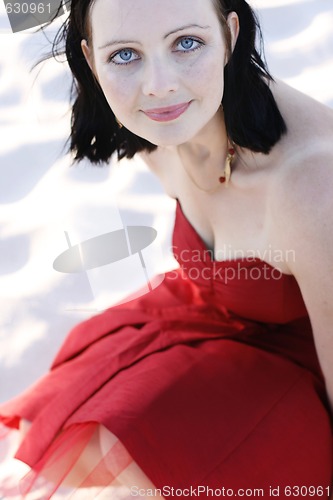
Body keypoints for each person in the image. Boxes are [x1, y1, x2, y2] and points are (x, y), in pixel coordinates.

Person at [0, 0, 333, 497]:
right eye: (125, 55)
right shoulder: (157, 130)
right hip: (205, 321)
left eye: (187, 43)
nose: (158, 84)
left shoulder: (311, 185)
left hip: (308, 373)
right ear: (91, 61)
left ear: (230, 36)